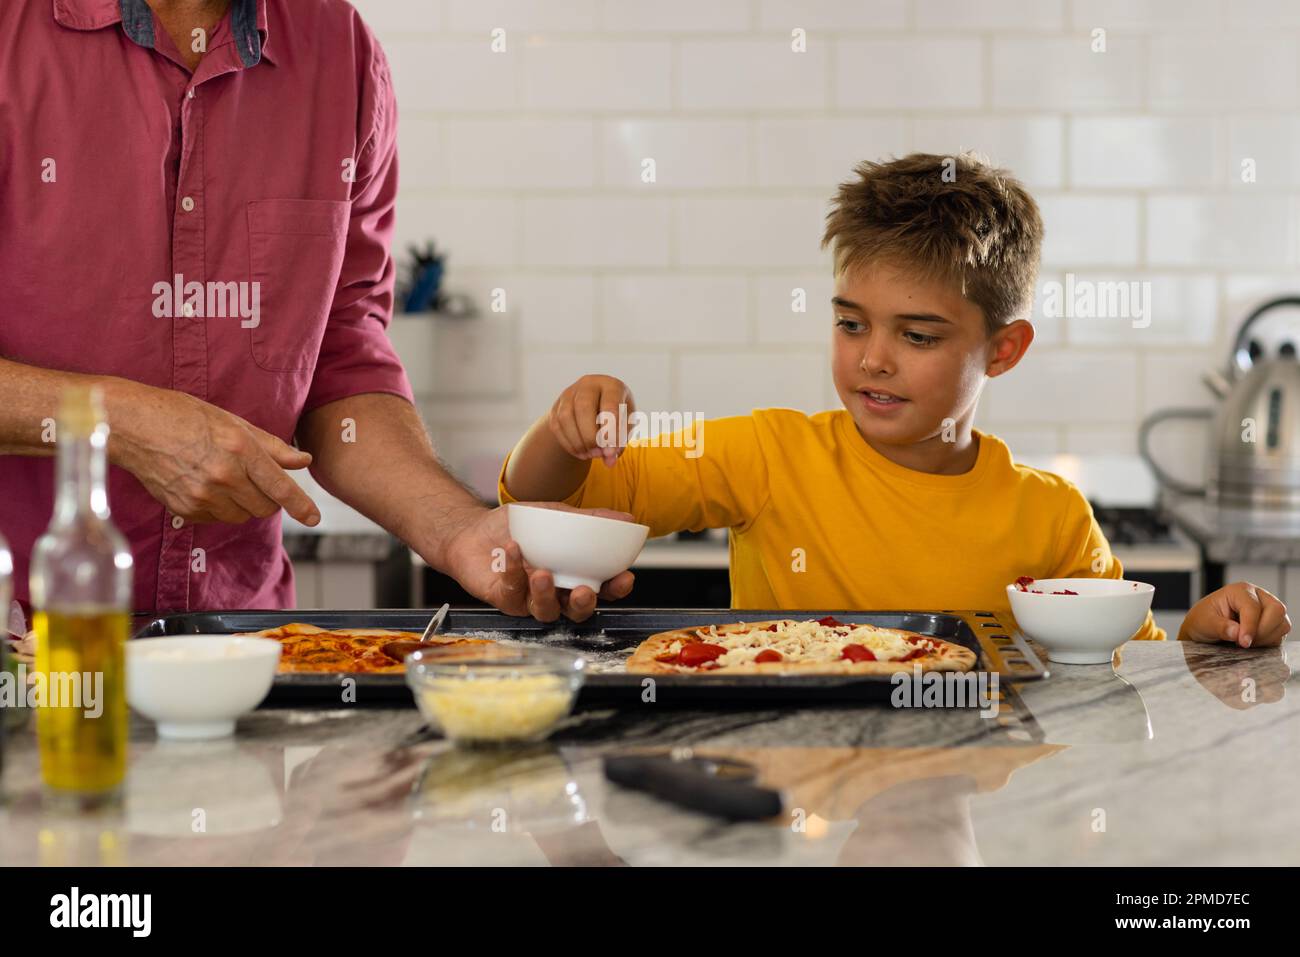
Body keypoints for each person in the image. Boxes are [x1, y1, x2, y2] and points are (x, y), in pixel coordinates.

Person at [499, 152, 1290, 649]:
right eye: (850, 323)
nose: (872, 358)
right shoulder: (767, 455)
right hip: (795, 802)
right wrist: (565, 430)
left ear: (1003, 350)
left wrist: (1204, 632)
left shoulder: (1050, 517)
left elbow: (1124, 664)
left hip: (976, 801)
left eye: (917, 336)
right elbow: (544, 500)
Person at [0, 0, 632, 621]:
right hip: (21, 637)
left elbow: (340, 361)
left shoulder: (341, 50)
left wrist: (460, 532)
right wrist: (125, 423)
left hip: (238, 641)